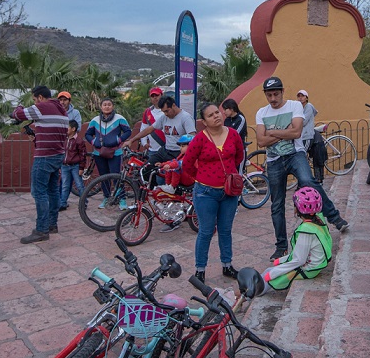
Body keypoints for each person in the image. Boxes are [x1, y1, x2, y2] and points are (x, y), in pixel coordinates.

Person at [256, 76, 348, 262]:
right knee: (276, 204)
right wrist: (284, 132)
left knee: (308, 181)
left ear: (282, 92)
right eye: (269, 95)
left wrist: (271, 132)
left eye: (276, 94)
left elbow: (296, 132)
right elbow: (261, 141)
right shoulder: (261, 112)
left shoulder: (294, 106)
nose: (273, 98)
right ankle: (281, 245)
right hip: (274, 161)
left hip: (295, 154)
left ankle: (334, 217)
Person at [182, 103, 245, 283]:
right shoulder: (200, 139)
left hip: (229, 192)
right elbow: (187, 164)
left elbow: (239, 156)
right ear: (204, 121)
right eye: (211, 115)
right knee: (206, 231)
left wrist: (229, 174)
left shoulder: (233, 135)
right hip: (205, 193)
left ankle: (227, 265)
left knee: (226, 230)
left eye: (217, 112)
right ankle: (200, 269)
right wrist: (202, 178)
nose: (216, 116)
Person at [13, 86, 70, 243]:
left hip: (44, 156)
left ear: (39, 97)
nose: (34, 102)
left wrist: (19, 106)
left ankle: (41, 230)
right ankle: (52, 224)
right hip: (58, 155)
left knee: (39, 192)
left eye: (34, 99)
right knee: (53, 191)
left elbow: (17, 114)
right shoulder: (62, 110)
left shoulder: (42, 107)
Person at [260, 187, 333, 292]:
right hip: (317, 262)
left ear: (297, 209)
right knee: (268, 270)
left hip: (310, 268)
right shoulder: (319, 219)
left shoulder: (306, 231)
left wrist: (273, 274)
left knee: (269, 277)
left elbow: (299, 260)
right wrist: (281, 261)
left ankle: (248, 295)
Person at [85, 98, 131, 208]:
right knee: (103, 176)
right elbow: (87, 134)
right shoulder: (95, 120)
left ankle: (122, 199)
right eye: (104, 104)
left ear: (113, 106)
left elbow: (128, 131)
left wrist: (118, 140)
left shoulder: (120, 119)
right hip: (99, 153)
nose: (107, 106)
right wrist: (93, 141)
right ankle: (106, 197)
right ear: (101, 107)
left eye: (109, 104)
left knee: (116, 176)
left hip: (115, 152)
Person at [126, 95, 195, 165]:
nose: (166, 114)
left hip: (179, 152)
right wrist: (132, 140)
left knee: (173, 172)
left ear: (173, 105)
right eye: (163, 112)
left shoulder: (186, 118)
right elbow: (149, 129)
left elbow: (193, 137)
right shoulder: (164, 118)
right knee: (146, 168)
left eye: (167, 111)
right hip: (166, 150)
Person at [297, 89, 327, 183]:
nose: (300, 98)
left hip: (307, 136)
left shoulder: (308, 107)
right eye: (299, 96)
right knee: (302, 156)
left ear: (306, 98)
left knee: (301, 156)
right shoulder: (300, 108)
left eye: (302, 96)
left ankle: (306, 179)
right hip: (301, 136)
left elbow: (303, 121)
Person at [59, 119, 87, 211]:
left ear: (73, 129)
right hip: (64, 166)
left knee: (79, 185)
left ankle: (84, 202)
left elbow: (82, 155)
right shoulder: (64, 139)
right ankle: (63, 203)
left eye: (67, 127)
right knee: (65, 185)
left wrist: (81, 167)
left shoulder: (78, 141)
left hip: (75, 166)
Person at [139, 87, 166, 154]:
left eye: (157, 95)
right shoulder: (147, 112)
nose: (155, 98)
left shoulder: (167, 110)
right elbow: (144, 128)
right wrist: (144, 143)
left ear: (161, 96)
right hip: (153, 149)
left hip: (166, 148)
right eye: (152, 96)